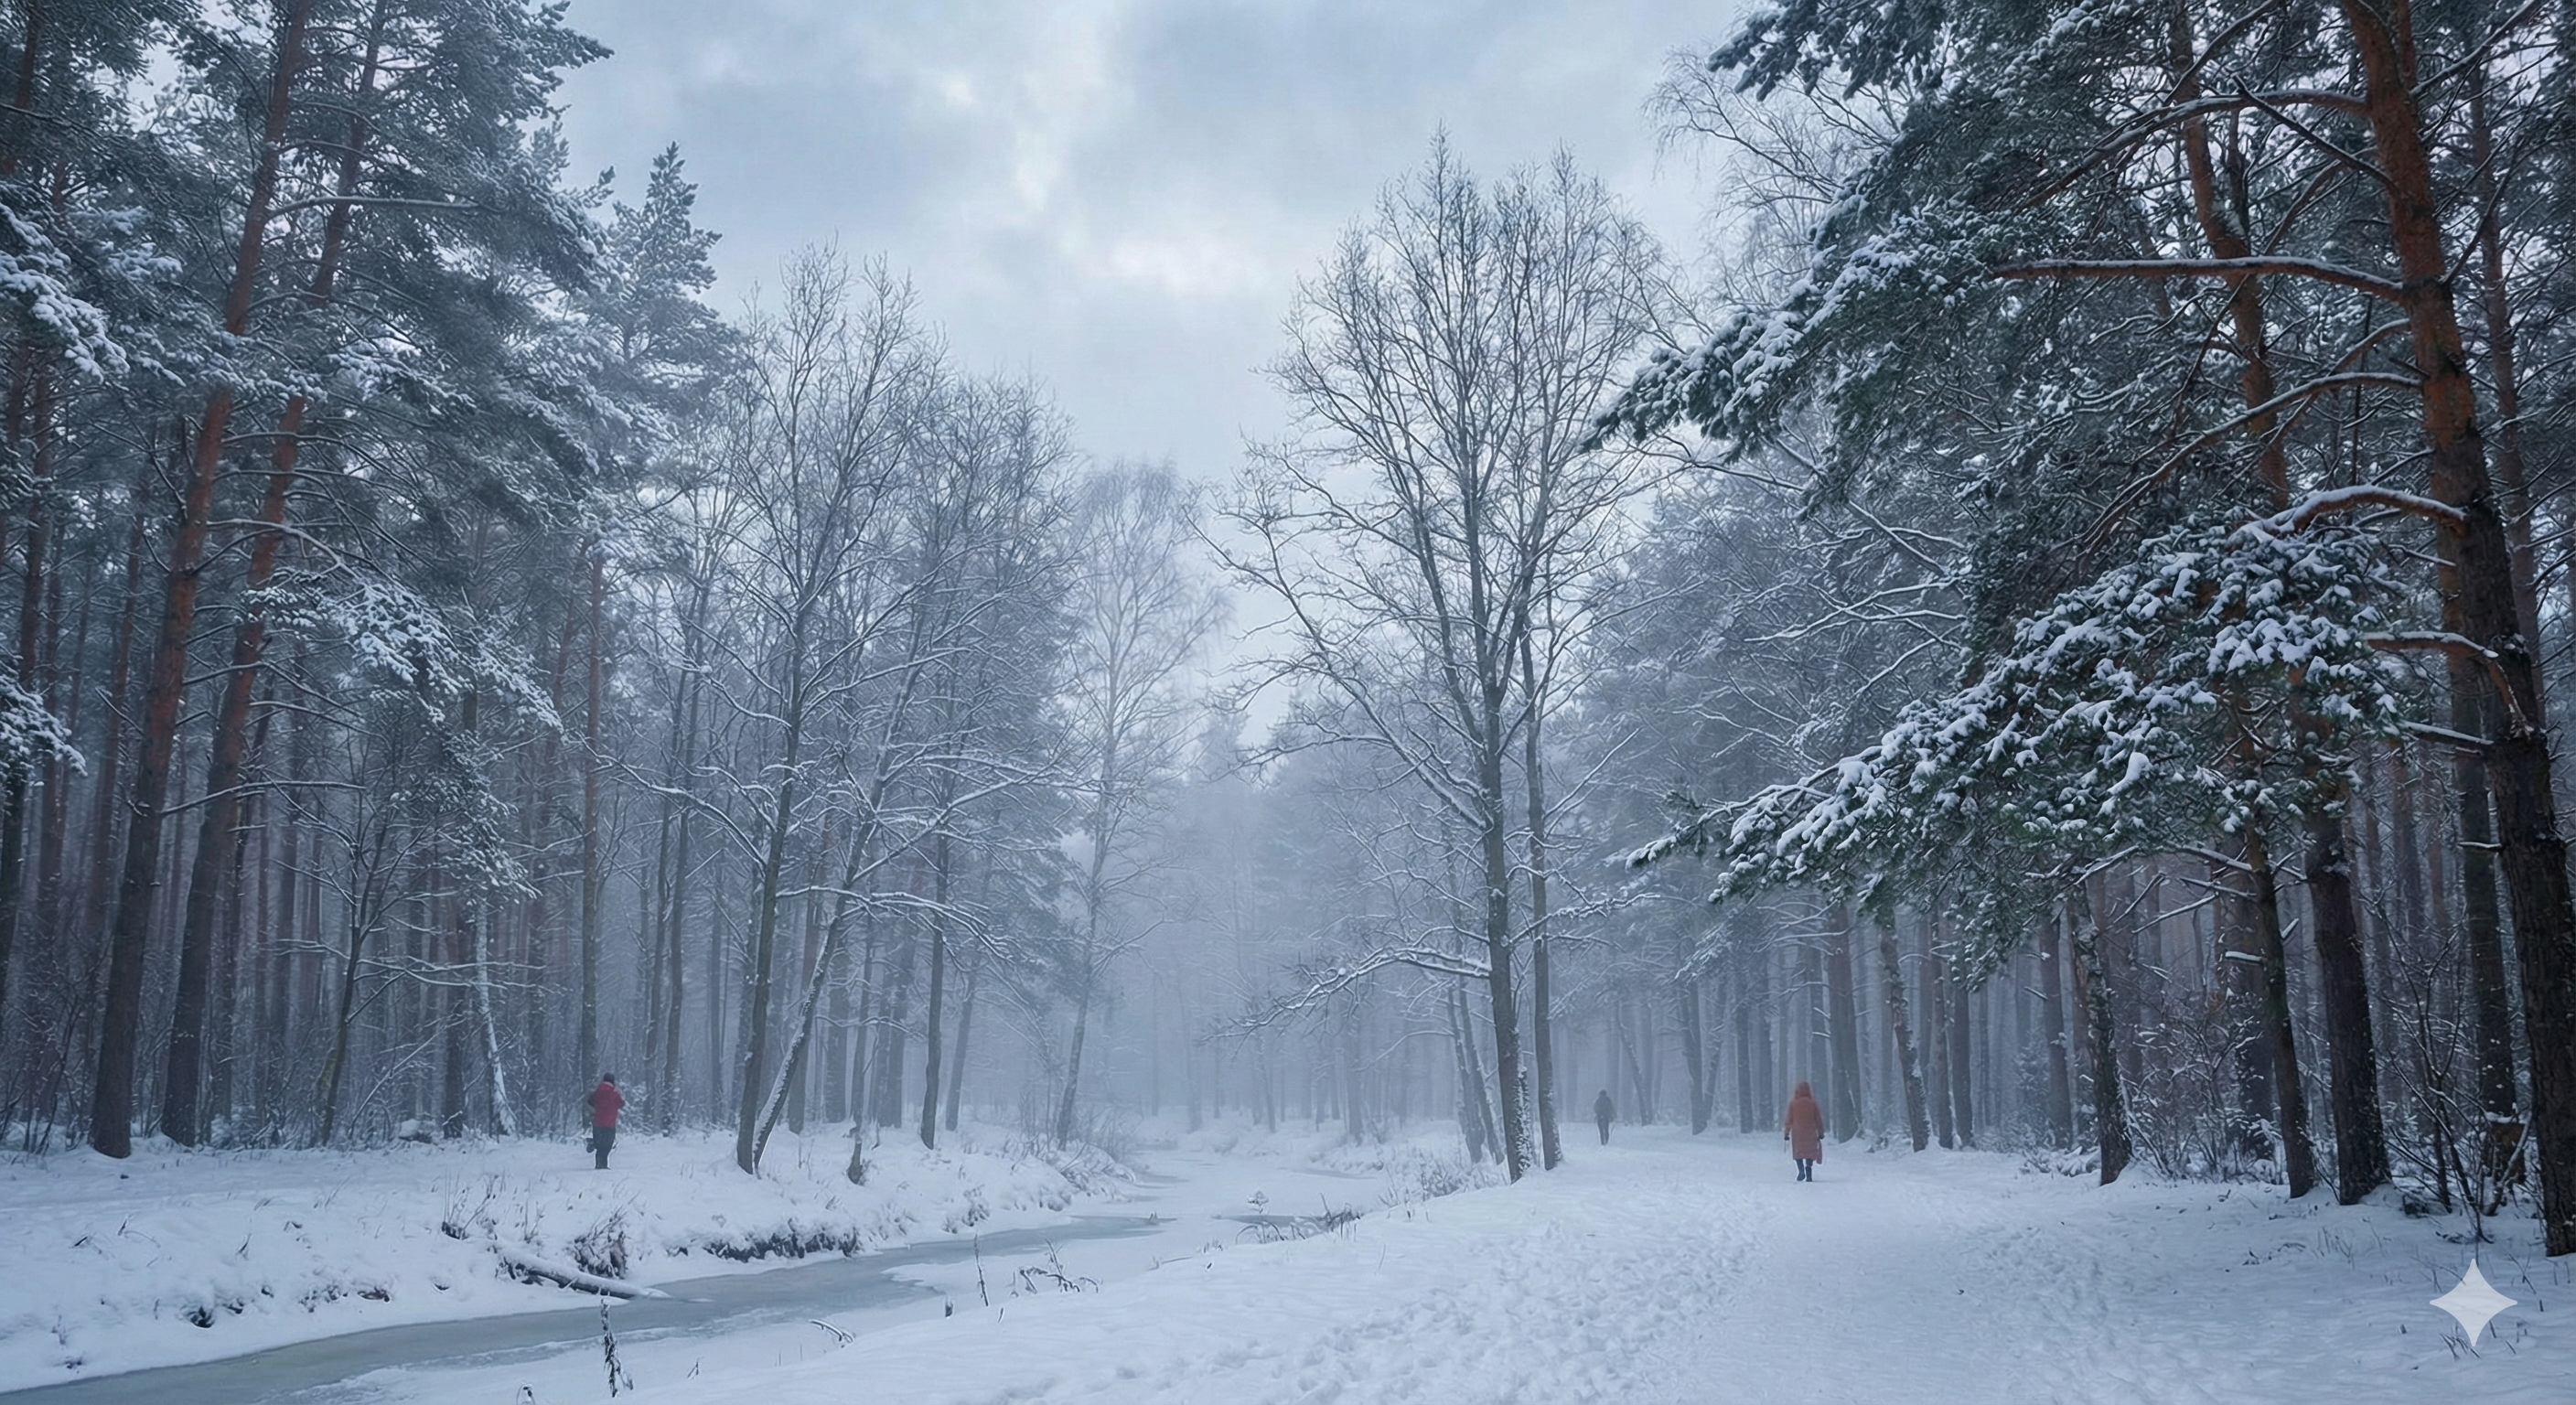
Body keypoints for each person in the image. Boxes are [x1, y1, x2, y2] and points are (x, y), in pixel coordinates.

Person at [1783, 1079, 1824, 1182]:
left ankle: (1801, 1170)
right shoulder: (1813, 1103)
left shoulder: (1793, 1103)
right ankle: (1808, 1170)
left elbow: (1789, 1119)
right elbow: (1818, 1119)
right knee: (1810, 1152)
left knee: (1798, 1152)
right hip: (1810, 1131)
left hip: (1797, 1132)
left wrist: (1786, 1133)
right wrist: (1821, 1132)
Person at [586, 1072, 623, 1170]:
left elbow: (590, 1101)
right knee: (607, 1145)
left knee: (599, 1144)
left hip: (598, 1122)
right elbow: (621, 1104)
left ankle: (597, 1157)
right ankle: (603, 1165)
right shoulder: (615, 1093)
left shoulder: (597, 1092)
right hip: (610, 1123)